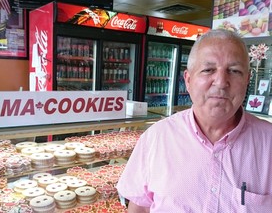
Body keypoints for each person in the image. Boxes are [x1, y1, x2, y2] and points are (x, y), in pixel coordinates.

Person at [116, 29, 272, 212]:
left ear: (247, 80)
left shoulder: (268, 142)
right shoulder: (155, 138)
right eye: (208, 70)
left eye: (234, 71)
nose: (221, 82)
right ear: (188, 80)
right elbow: (140, 208)